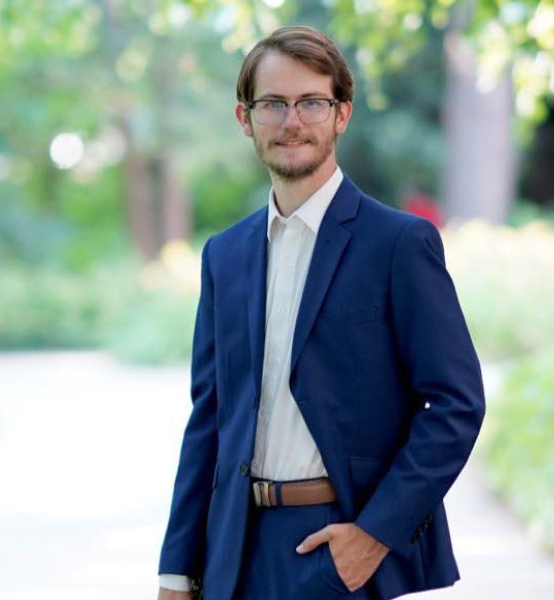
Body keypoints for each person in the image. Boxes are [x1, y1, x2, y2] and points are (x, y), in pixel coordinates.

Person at [157, 25, 485, 600]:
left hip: (339, 547)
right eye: (273, 104)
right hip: (234, 553)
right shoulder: (224, 257)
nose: (292, 121)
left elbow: (456, 404)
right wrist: (177, 572)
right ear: (245, 118)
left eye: (311, 102)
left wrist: (375, 535)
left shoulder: (397, 245)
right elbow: (208, 421)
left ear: (341, 114)